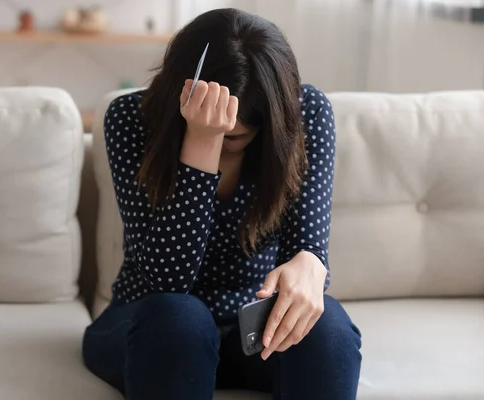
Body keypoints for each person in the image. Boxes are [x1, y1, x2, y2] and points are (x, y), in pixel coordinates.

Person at [83, 8, 362, 400]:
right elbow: (168, 280)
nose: (233, 142)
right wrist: (202, 142)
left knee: (327, 325)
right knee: (179, 318)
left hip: (254, 325)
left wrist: (310, 265)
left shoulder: (305, 113)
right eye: (227, 137)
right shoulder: (131, 119)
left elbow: (307, 249)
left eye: (241, 137)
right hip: (151, 322)